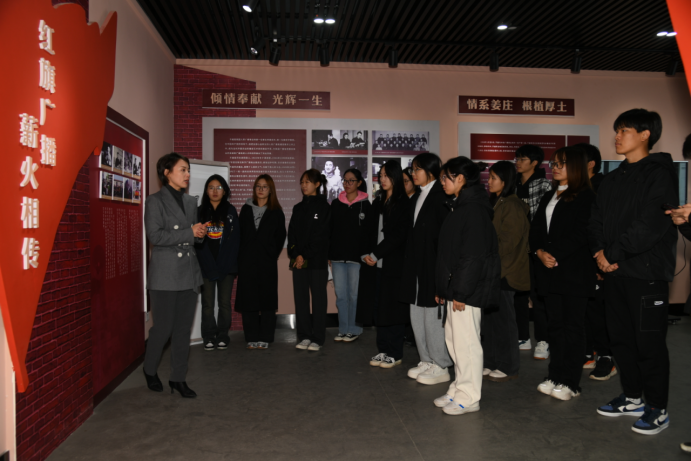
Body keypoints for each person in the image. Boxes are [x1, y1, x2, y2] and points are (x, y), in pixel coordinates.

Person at [589, 108, 677, 435]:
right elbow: (595, 221)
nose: (617, 136)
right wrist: (599, 253)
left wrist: (612, 254)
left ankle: (657, 408)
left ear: (645, 135)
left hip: (646, 274)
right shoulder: (613, 178)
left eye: (624, 130)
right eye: (617, 130)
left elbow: (650, 225)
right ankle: (632, 397)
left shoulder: (659, 175)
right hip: (615, 273)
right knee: (621, 340)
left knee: (649, 345)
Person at [432, 157, 500, 416]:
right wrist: (443, 288)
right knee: (454, 341)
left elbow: (473, 256)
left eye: (445, 177)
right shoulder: (460, 206)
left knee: (467, 344)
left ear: (460, 178)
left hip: (467, 290)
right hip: (457, 288)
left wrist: (460, 291)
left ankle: (469, 397)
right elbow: (451, 253)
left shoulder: (473, 210)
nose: (442, 182)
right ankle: (459, 388)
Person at [530, 147, 597, 401]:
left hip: (574, 272)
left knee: (573, 328)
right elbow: (536, 229)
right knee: (555, 326)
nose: (555, 168)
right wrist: (538, 251)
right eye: (554, 163)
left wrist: (553, 253)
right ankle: (555, 375)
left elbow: (582, 234)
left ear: (577, 166)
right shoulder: (550, 195)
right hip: (549, 270)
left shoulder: (587, 196)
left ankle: (570, 382)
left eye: (561, 163)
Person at [143, 153, 206, 399]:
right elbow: (155, 236)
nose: (187, 174)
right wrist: (189, 232)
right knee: (163, 329)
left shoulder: (190, 202)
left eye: (188, 170)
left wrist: (199, 234)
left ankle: (178, 378)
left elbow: (192, 238)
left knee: (182, 331)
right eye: (182, 169)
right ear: (166, 172)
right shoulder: (154, 201)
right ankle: (149, 369)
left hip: (189, 273)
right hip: (165, 274)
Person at [400, 153, 452, 385]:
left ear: (430, 171)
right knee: (416, 313)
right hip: (415, 265)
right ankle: (426, 359)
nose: (413, 173)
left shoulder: (440, 196)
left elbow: (444, 237)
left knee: (432, 315)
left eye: (417, 169)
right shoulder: (417, 196)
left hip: (432, 266)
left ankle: (441, 364)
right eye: (412, 169)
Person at [357, 161, 412, 368]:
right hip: (375, 263)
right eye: (380, 175)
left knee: (393, 309)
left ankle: (395, 352)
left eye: (386, 175)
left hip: (393, 264)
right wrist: (365, 253)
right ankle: (383, 349)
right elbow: (368, 230)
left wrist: (376, 253)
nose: (382, 179)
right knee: (379, 308)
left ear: (396, 177)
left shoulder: (404, 203)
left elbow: (398, 235)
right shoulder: (379, 200)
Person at [484, 161, 529, 382]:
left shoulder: (512, 204)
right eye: (489, 177)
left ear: (505, 180)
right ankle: (492, 361)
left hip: (506, 271)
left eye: (494, 178)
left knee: (504, 321)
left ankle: (508, 365)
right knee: (490, 322)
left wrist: (485, 254)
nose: (489, 181)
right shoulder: (496, 202)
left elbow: (509, 241)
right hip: (493, 270)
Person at [574, 143, 616, 380]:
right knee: (584, 311)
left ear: (590, 164)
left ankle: (606, 357)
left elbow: (605, 227)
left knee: (599, 312)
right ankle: (589, 352)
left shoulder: (604, 187)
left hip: (598, 260)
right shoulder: (576, 188)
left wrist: (601, 260)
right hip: (580, 260)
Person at [235, 175, 287, 349]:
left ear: (270, 190)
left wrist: (271, 254)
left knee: (267, 300)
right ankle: (251, 337)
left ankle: (265, 337)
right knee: (248, 299)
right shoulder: (245, 209)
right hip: (247, 261)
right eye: (258, 186)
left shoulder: (276, 212)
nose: (261, 189)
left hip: (267, 262)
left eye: (265, 187)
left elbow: (280, 236)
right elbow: (240, 235)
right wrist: (242, 255)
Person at [514, 144, 552, 359]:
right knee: (518, 293)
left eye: (523, 159)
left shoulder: (544, 185)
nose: (518, 162)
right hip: (517, 249)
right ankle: (522, 336)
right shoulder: (514, 184)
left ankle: (543, 340)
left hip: (536, 248)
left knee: (538, 295)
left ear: (535, 162)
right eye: (517, 158)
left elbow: (543, 220)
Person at [196, 175, 240, 351]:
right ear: (206, 191)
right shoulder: (199, 212)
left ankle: (222, 335)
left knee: (224, 303)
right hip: (206, 266)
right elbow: (197, 242)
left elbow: (235, 241)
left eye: (219, 187)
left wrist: (223, 264)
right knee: (207, 304)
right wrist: (209, 264)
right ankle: (208, 336)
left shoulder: (230, 211)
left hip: (226, 266)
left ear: (225, 191)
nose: (215, 191)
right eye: (211, 187)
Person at [289, 169, 332, 351]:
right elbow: (291, 234)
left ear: (317, 184)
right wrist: (296, 254)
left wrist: (304, 254)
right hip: (299, 261)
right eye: (302, 182)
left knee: (319, 300)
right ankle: (304, 336)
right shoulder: (297, 208)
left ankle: (318, 338)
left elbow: (320, 237)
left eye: (307, 182)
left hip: (317, 261)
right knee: (300, 299)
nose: (304, 185)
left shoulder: (324, 207)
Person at [329, 169, 372, 342]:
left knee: (354, 295)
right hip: (338, 257)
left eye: (351, 181)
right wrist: (329, 254)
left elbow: (368, 233)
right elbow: (330, 230)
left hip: (357, 258)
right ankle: (343, 329)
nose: (347, 184)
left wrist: (366, 254)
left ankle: (354, 329)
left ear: (359, 182)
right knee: (341, 295)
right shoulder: (336, 203)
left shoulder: (366, 205)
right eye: (345, 181)